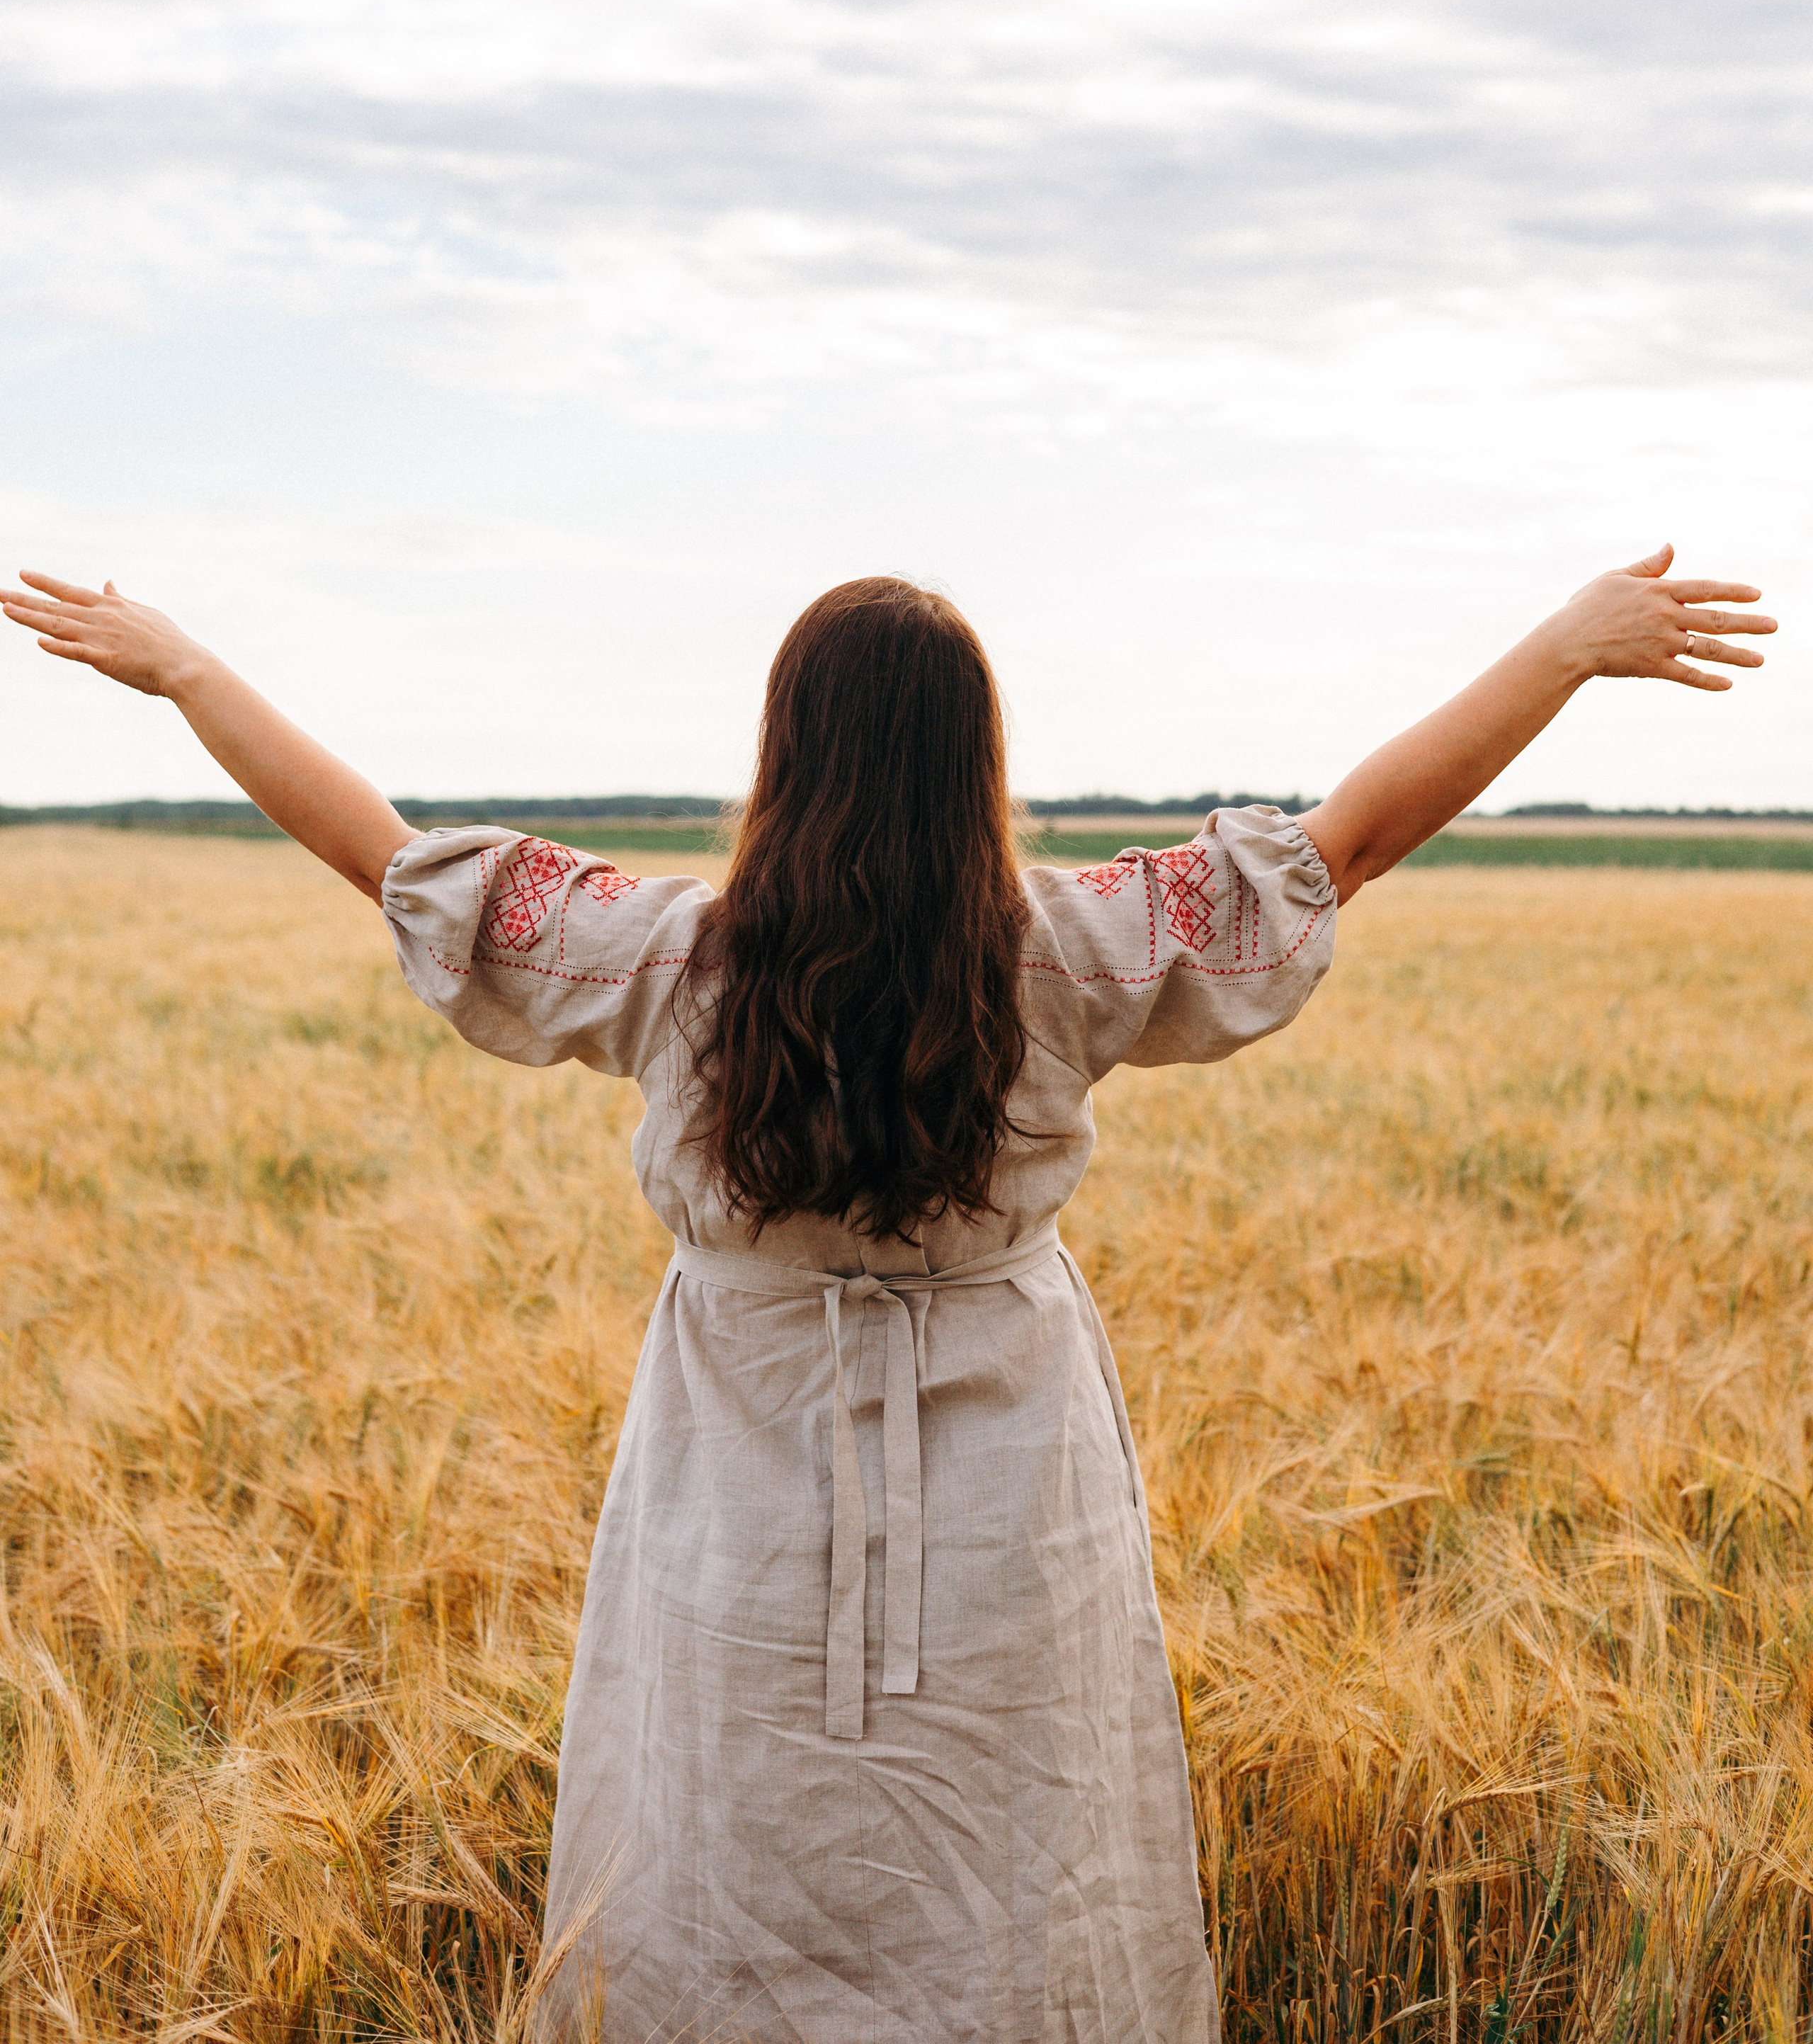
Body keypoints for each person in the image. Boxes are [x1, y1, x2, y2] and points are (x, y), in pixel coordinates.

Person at [1, 547, 1772, 2043]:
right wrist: (1558, 653)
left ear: (787, 753)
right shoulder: (1070, 947)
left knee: (721, 1818)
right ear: (972, 763)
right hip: (1015, 1477)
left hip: (738, 1465)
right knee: (1019, 1836)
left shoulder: (667, 950)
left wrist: (187, 674)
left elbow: (382, 855)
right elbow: (1351, 840)